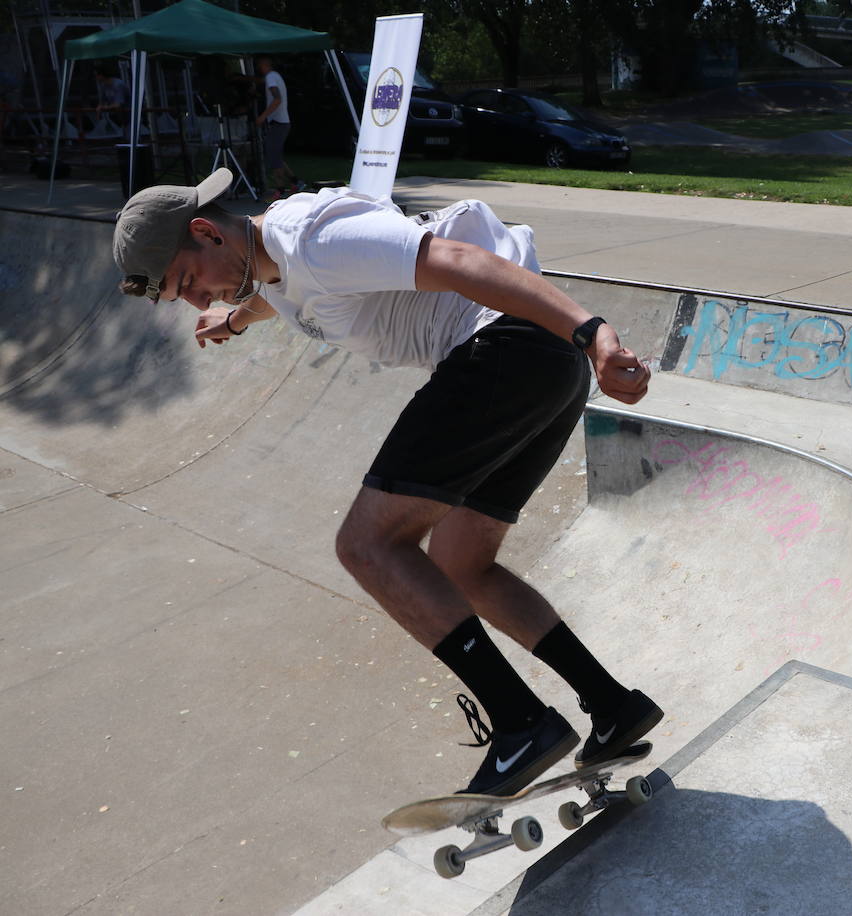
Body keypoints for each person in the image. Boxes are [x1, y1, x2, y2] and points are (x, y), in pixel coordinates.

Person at [111, 169, 663, 796]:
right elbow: (287, 292)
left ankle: (521, 722)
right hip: (539, 367)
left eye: (188, 281)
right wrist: (235, 320)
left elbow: (457, 259)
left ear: (206, 231)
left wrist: (592, 334)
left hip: (505, 351)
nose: (192, 298)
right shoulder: (272, 263)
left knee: (367, 545)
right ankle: (612, 705)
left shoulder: (310, 237)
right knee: (462, 565)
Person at [253, 56, 300, 199]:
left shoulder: (271, 78)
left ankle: (280, 189)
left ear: (264, 64)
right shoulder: (274, 76)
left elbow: (277, 99)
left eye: (259, 64)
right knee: (276, 155)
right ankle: (295, 182)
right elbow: (261, 82)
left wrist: (263, 116)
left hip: (278, 123)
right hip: (282, 122)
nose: (258, 68)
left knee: (273, 156)